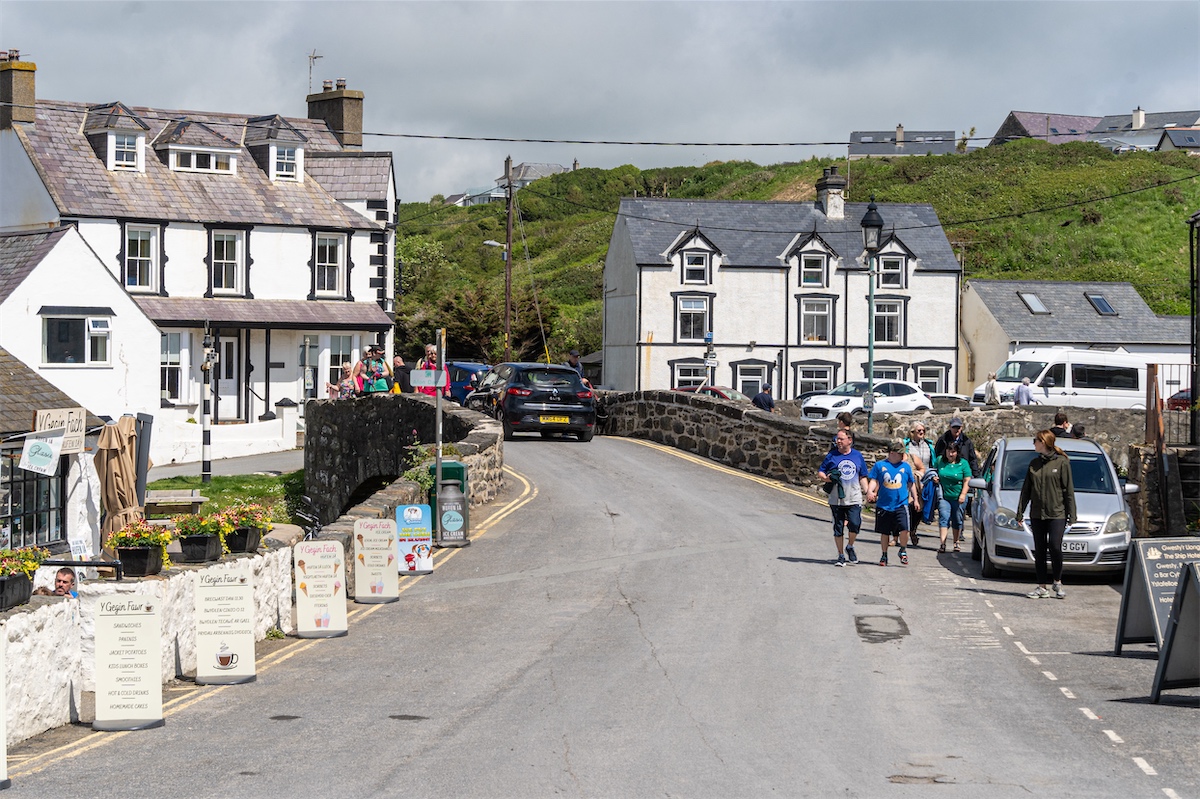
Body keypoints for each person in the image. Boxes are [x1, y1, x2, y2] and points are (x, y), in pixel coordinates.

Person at [1018, 430, 1077, 599]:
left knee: (1055, 546)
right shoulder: (1034, 464)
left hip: (1057, 513)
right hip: (1037, 513)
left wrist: (1072, 515)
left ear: (1043, 442)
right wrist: (1020, 512)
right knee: (1040, 550)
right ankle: (1041, 586)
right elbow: (1026, 490)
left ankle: (1057, 581)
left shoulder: (1061, 463)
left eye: (1035, 441)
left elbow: (1068, 490)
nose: (1034, 444)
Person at [818, 429, 870, 566]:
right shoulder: (832, 455)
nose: (838, 441)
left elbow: (862, 475)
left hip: (854, 497)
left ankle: (850, 546)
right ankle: (841, 555)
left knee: (855, 524)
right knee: (838, 528)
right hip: (836, 499)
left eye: (841, 439)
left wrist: (868, 491)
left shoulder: (857, 456)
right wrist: (827, 479)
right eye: (837, 439)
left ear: (850, 440)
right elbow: (821, 472)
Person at [867, 440, 921, 567]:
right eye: (900, 453)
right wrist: (870, 491)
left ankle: (903, 550)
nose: (903, 456)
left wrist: (916, 499)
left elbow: (911, 484)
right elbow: (874, 480)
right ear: (891, 453)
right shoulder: (880, 465)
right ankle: (884, 554)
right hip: (884, 505)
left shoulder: (906, 467)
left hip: (901, 504)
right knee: (885, 532)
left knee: (905, 529)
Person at [933, 442, 973, 553]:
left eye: (953, 452)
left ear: (957, 452)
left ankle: (956, 542)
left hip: (958, 496)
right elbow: (933, 471)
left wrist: (963, 494)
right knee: (944, 517)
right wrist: (935, 478)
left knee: (957, 519)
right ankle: (942, 543)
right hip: (944, 495)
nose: (950, 454)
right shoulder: (940, 460)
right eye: (948, 451)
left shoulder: (963, 463)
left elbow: (967, 480)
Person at [903, 421, 937, 548]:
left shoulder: (928, 445)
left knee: (921, 507)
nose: (922, 432)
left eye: (923, 430)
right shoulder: (907, 445)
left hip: (925, 480)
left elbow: (932, 462)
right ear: (912, 432)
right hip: (911, 479)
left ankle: (913, 529)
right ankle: (905, 531)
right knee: (910, 505)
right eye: (919, 430)